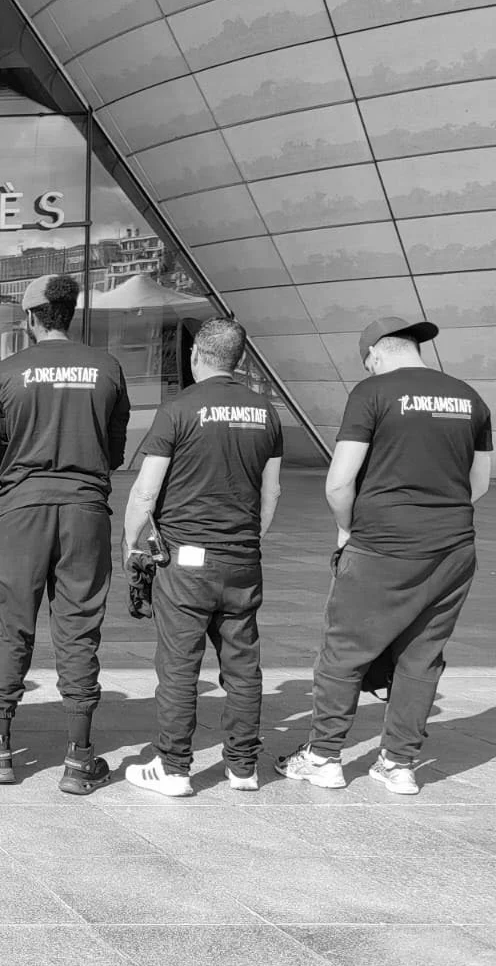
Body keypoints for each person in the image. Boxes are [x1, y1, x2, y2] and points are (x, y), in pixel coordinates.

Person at [278, 316, 491, 796]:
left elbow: (339, 480)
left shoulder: (371, 394)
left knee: (344, 650)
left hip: (382, 546)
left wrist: (348, 527)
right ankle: (399, 764)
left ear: (374, 352)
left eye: (367, 360)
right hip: (453, 546)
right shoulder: (470, 398)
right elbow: (478, 483)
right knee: (423, 655)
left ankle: (324, 756)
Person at [120, 319, 283, 797]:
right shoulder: (266, 413)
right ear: (240, 359)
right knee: (243, 665)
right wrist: (249, 540)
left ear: (195, 355)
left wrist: (131, 545)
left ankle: (173, 769)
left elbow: (145, 492)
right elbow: (270, 493)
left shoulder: (179, 410)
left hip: (187, 563)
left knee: (178, 666)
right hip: (243, 559)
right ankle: (243, 768)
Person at [0, 274, 130, 794]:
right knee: (79, 626)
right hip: (86, 508)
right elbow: (115, 451)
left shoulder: (5, 372)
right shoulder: (107, 368)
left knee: (10, 623)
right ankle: (79, 756)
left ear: (30, 317)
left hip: (21, 508)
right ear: (70, 313)